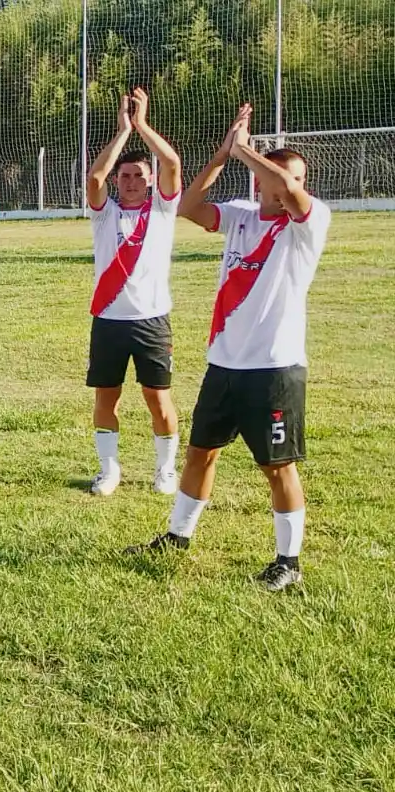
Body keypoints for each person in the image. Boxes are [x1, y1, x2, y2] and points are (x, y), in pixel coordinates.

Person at [133, 103, 330, 592]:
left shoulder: (308, 222)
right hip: (224, 365)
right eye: (282, 178)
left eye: (298, 179)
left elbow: (289, 191)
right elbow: (189, 206)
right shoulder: (242, 216)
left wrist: (247, 150)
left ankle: (289, 560)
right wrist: (224, 154)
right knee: (201, 452)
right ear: (257, 183)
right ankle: (178, 536)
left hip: (274, 370)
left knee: (276, 466)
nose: (291, 187)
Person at [84, 88, 183, 497]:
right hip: (108, 321)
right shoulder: (104, 212)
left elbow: (173, 162)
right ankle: (109, 470)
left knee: (158, 400)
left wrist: (143, 125)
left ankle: (166, 469)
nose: (130, 182)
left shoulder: (162, 210)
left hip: (151, 321)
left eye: (139, 175)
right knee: (107, 400)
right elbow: (94, 178)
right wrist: (124, 131)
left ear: (150, 180)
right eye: (124, 176)